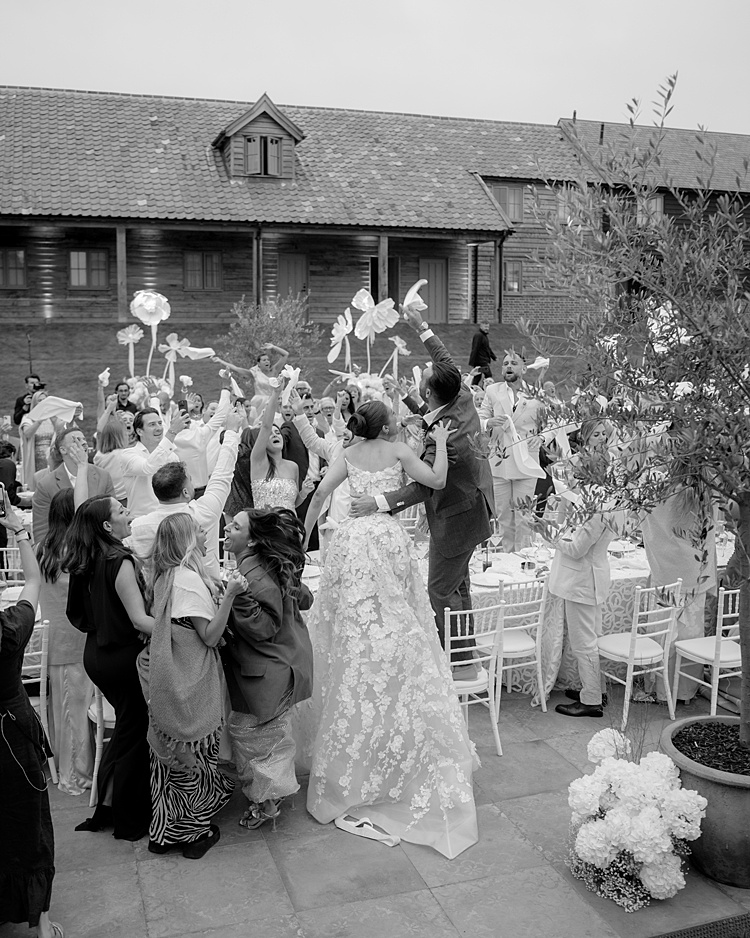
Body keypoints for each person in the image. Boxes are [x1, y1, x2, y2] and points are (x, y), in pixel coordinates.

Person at [301, 401, 478, 857]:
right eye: (394, 419)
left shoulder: (347, 454)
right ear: (384, 426)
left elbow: (319, 497)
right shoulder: (399, 450)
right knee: (400, 624)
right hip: (385, 539)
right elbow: (436, 480)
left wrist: (302, 540)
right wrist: (440, 443)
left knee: (352, 630)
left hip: (350, 542)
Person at [350, 307, 494, 672]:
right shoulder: (461, 395)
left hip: (458, 515)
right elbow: (443, 362)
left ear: (428, 390)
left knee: (440, 589)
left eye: (425, 375)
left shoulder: (445, 440)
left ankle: (456, 661)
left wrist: (377, 502)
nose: (427, 368)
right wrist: (422, 327)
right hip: (475, 501)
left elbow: (425, 486)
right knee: (458, 585)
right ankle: (465, 650)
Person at [139, 514, 240, 859]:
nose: (204, 532)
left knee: (169, 759)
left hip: (168, 676)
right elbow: (209, 636)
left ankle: (163, 833)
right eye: (197, 529)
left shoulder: (165, 575)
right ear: (186, 540)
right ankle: (194, 835)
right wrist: (230, 596)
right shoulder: (187, 580)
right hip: (191, 676)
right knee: (194, 751)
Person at [63, 495, 154, 840]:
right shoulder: (119, 560)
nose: (128, 513)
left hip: (96, 655)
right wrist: (180, 628)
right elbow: (139, 620)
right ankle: (129, 820)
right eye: (121, 510)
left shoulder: (87, 558)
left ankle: (107, 807)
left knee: (126, 731)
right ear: (106, 525)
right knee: (134, 734)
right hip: (122, 658)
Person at [222, 508, 314, 830]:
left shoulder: (252, 577)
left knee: (255, 737)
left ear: (252, 540)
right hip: (284, 661)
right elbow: (305, 599)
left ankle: (268, 803)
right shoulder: (261, 565)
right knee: (263, 735)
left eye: (235, 527)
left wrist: (235, 598)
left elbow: (264, 628)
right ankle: (269, 796)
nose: (227, 528)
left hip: (271, 669)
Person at [1, 492, 63, 938]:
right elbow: (34, 581)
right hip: (12, 738)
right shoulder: (9, 630)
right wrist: (19, 531)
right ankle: (40, 921)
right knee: (28, 822)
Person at [531, 419, 621, 718]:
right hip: (591, 576)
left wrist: (546, 532)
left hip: (583, 579)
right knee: (590, 637)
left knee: (584, 643)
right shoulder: (600, 499)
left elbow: (576, 549)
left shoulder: (596, 507)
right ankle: (594, 689)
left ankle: (591, 700)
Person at [128, 407, 242, 578]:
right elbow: (222, 474)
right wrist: (232, 433)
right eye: (190, 479)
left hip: (157, 593)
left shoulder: (138, 528)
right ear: (186, 492)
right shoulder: (204, 512)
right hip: (207, 588)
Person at [37, 467, 95, 796]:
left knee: (65, 711)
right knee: (75, 712)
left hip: (57, 641)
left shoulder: (44, 548)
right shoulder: (72, 552)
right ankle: (76, 776)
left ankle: (70, 769)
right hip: (75, 640)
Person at [478, 350, 546, 552]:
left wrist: (541, 437)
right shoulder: (493, 391)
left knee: (524, 517)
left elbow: (553, 423)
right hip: (499, 463)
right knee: (504, 517)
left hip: (526, 463)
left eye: (513, 363)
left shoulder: (536, 395)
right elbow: (479, 419)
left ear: (524, 369)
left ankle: (524, 559)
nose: (508, 366)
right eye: (505, 363)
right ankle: (507, 558)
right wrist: (488, 422)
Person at [33, 425, 116, 544]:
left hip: (100, 547)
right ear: (63, 450)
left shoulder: (103, 476)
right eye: (76, 440)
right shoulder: (45, 485)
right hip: (64, 549)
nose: (83, 443)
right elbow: (41, 532)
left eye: (84, 439)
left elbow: (114, 517)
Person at [119, 407, 188, 518]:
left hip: (168, 519)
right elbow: (149, 467)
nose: (159, 428)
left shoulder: (171, 456)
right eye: (152, 425)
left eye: (160, 423)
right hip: (141, 520)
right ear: (139, 431)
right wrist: (172, 432)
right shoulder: (128, 454)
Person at [251, 380, 308, 511]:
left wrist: (304, 492)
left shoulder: (293, 466)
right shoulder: (258, 462)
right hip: (265, 523)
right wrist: (276, 393)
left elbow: (293, 503)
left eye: (277, 433)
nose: (275, 435)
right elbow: (266, 426)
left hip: (289, 522)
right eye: (270, 434)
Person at [212, 343, 289, 409]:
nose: (267, 361)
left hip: (275, 401)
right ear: (259, 364)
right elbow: (236, 369)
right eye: (264, 360)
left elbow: (285, 354)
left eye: (268, 360)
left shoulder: (275, 370)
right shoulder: (254, 373)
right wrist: (220, 361)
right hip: (260, 403)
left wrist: (273, 347)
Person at [19, 389, 60, 488]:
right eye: (40, 400)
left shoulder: (52, 418)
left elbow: (60, 431)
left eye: (45, 400)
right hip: (35, 456)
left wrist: (54, 419)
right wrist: (39, 420)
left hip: (51, 455)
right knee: (38, 482)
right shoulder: (28, 418)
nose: (43, 403)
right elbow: (27, 434)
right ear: (34, 402)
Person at [93, 418, 130, 505]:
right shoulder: (124, 455)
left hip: (107, 499)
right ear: (119, 437)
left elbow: (99, 430)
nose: (128, 436)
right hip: (125, 499)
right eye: (125, 434)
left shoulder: (99, 456)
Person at [468, 320, 496, 385]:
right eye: (485, 327)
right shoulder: (478, 335)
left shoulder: (484, 336)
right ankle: (486, 388)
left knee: (477, 376)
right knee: (488, 375)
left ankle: (474, 387)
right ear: (481, 327)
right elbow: (475, 348)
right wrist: (472, 361)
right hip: (480, 361)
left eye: (488, 327)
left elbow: (487, 348)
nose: (487, 328)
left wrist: (493, 357)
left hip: (482, 361)